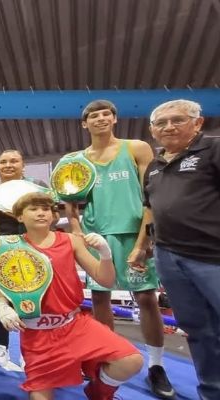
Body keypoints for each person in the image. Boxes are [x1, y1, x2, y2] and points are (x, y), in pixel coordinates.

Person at [65, 100, 174, 399]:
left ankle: (156, 365)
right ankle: (108, 355)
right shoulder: (76, 159)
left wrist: (144, 239)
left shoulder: (136, 148)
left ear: (114, 119)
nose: (100, 118)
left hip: (131, 232)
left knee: (146, 299)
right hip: (95, 235)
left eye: (106, 114)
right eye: (93, 115)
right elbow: (68, 201)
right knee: (100, 298)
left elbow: (150, 196)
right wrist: (76, 230)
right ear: (84, 124)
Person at [0, 192, 143, 399]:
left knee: (131, 360)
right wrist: (3, 305)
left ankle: (98, 392)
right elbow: (0, 282)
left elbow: (105, 280)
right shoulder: (10, 245)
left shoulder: (70, 241)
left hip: (74, 325)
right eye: (34, 209)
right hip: (38, 335)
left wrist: (105, 253)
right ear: (20, 216)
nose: (41, 213)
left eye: (46, 209)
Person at [144, 99, 220, 400]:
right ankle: (211, 392)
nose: (169, 127)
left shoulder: (213, 149)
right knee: (199, 331)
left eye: (177, 120)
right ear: (152, 131)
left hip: (213, 257)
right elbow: (149, 207)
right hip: (169, 257)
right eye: (161, 123)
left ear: (197, 123)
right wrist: (143, 247)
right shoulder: (154, 164)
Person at [0, 149, 48, 368]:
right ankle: (0, 347)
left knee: (33, 295)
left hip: (31, 245)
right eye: (3, 162)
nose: (8, 165)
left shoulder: (36, 186)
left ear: (23, 165)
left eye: (14, 161)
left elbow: (54, 215)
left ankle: (28, 349)